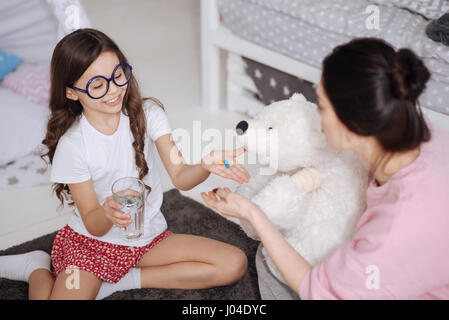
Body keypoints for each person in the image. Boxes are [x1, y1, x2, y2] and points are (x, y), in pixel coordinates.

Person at [0, 28, 250, 300]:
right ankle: (35, 267)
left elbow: (180, 176)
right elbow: (94, 225)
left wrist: (205, 164)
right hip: (90, 248)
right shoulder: (73, 147)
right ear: (72, 92)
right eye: (97, 85)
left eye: (118, 75)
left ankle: (120, 280)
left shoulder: (149, 115)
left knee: (233, 263)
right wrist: (107, 211)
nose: (114, 90)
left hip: (148, 240)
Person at [202, 38, 449, 299]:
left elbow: (317, 291)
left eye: (321, 105)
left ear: (352, 122)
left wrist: (255, 215)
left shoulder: (395, 229)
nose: (317, 117)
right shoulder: (427, 136)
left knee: (269, 265)